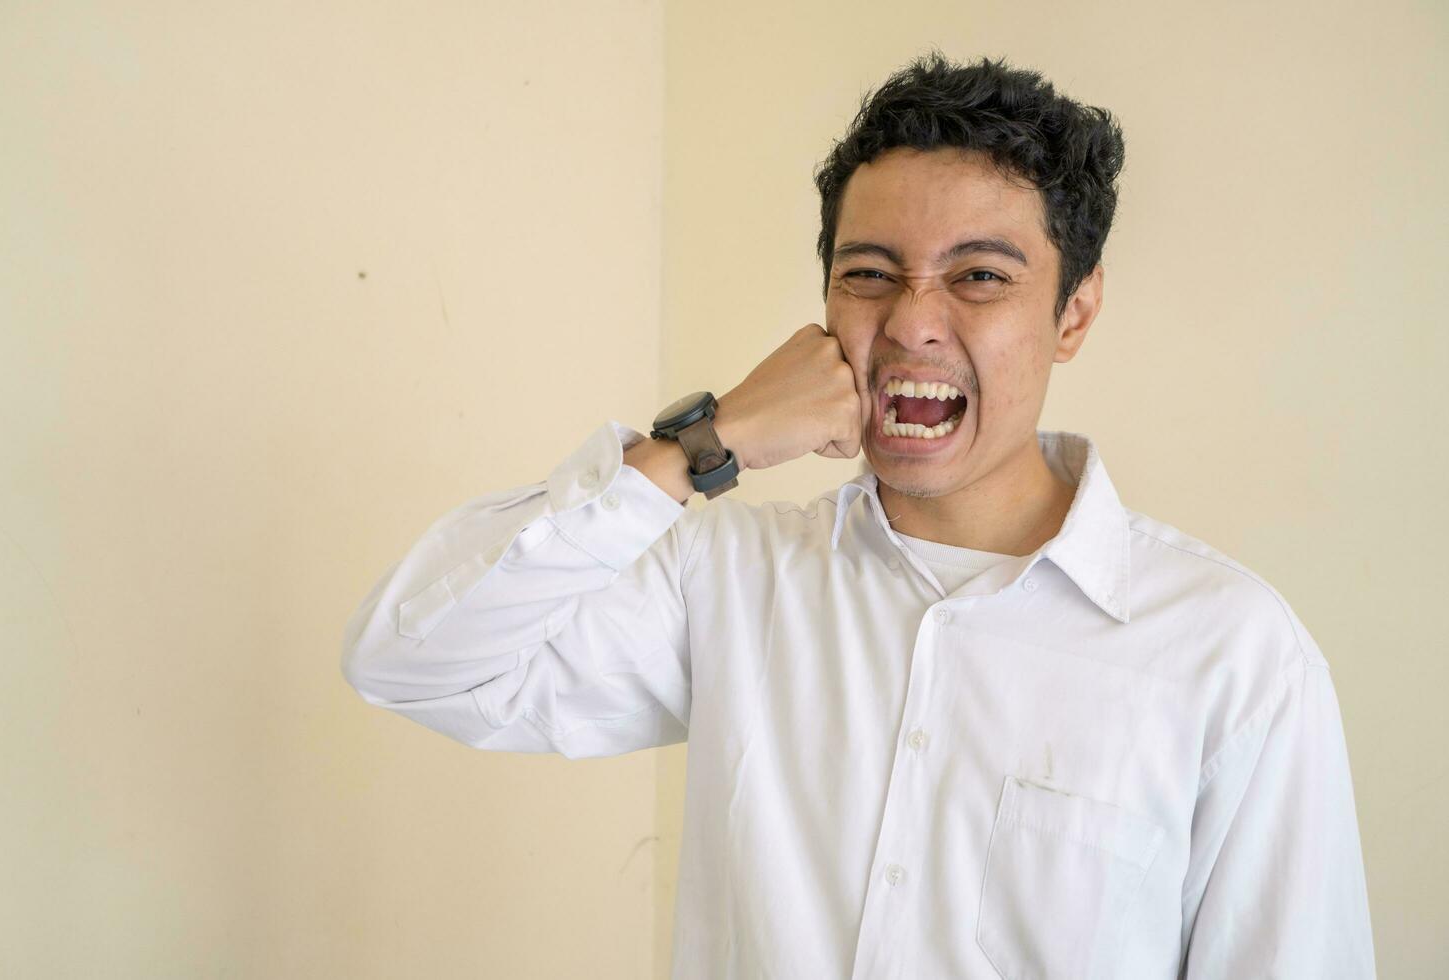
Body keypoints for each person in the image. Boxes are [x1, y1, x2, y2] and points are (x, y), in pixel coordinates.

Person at [341, 52, 1375, 978]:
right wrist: (711, 440)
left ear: (1075, 312)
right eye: (869, 275)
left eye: (979, 276)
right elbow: (411, 655)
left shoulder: (1233, 655)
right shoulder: (728, 577)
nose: (912, 322)